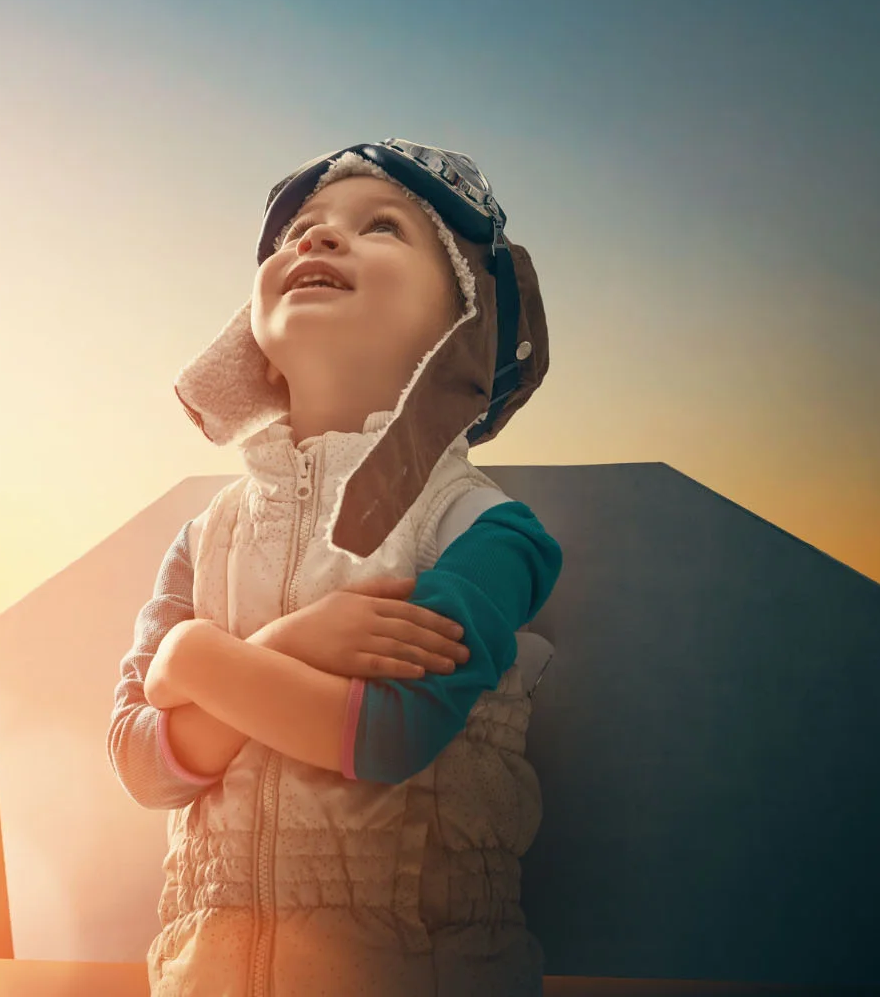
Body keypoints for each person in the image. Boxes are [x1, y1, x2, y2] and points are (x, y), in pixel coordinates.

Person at [106, 139, 562, 996]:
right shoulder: (203, 539)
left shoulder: (487, 530)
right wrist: (285, 642)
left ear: (467, 320)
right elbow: (142, 764)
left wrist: (200, 663)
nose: (315, 241)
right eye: (299, 232)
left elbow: (388, 735)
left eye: (381, 226)